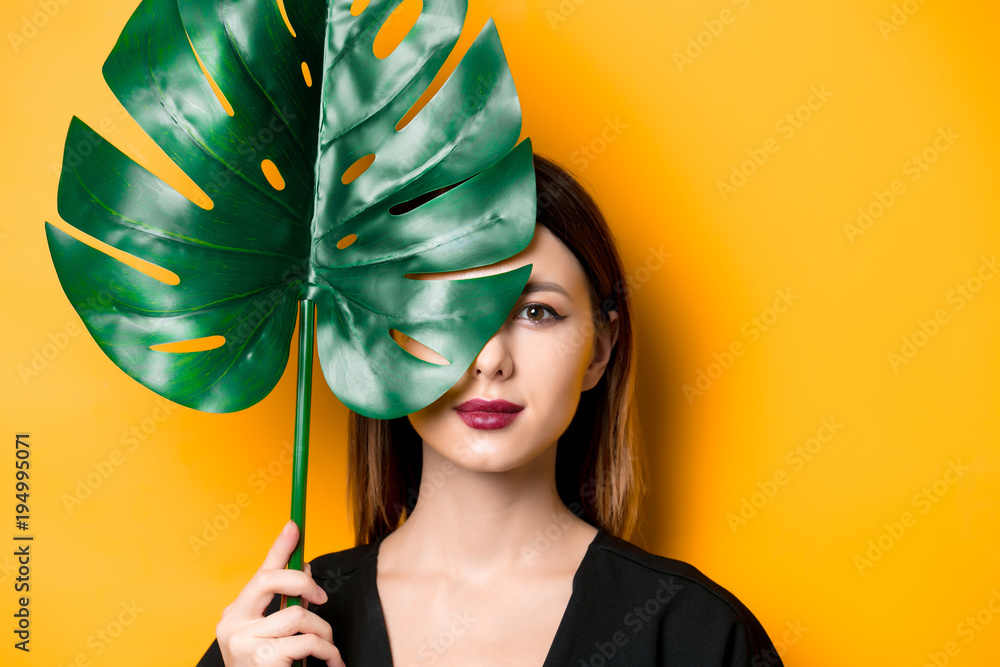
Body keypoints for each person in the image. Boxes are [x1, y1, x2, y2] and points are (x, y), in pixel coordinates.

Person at [196, 155, 784, 667]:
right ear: (384, 339)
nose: (490, 359)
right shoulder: (281, 633)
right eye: (446, 307)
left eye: (537, 313)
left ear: (599, 350)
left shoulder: (695, 635)